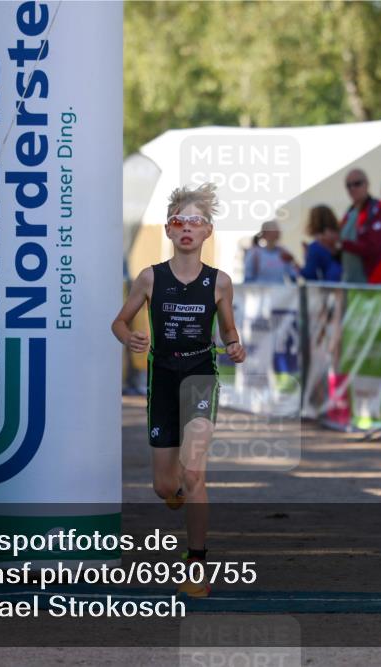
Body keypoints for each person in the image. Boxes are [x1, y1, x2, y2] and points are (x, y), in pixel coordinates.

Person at [111, 183, 246, 599]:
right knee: (165, 487)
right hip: (163, 378)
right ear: (169, 231)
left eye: (196, 222)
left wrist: (235, 344)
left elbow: (228, 330)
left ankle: (197, 564)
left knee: (194, 472)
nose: (186, 228)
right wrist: (129, 337)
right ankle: (177, 495)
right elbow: (120, 321)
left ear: (208, 232)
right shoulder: (150, 278)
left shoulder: (219, 283)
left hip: (200, 373)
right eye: (178, 221)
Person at [339, 168, 381, 285]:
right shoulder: (349, 213)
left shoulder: (379, 210)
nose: (352, 189)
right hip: (351, 282)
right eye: (348, 185)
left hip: (376, 282)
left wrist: (342, 244)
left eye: (357, 184)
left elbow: (374, 247)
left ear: (367, 184)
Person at [300, 205, 342, 282]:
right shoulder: (342, 239)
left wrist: (294, 262)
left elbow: (310, 274)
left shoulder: (315, 247)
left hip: (329, 288)